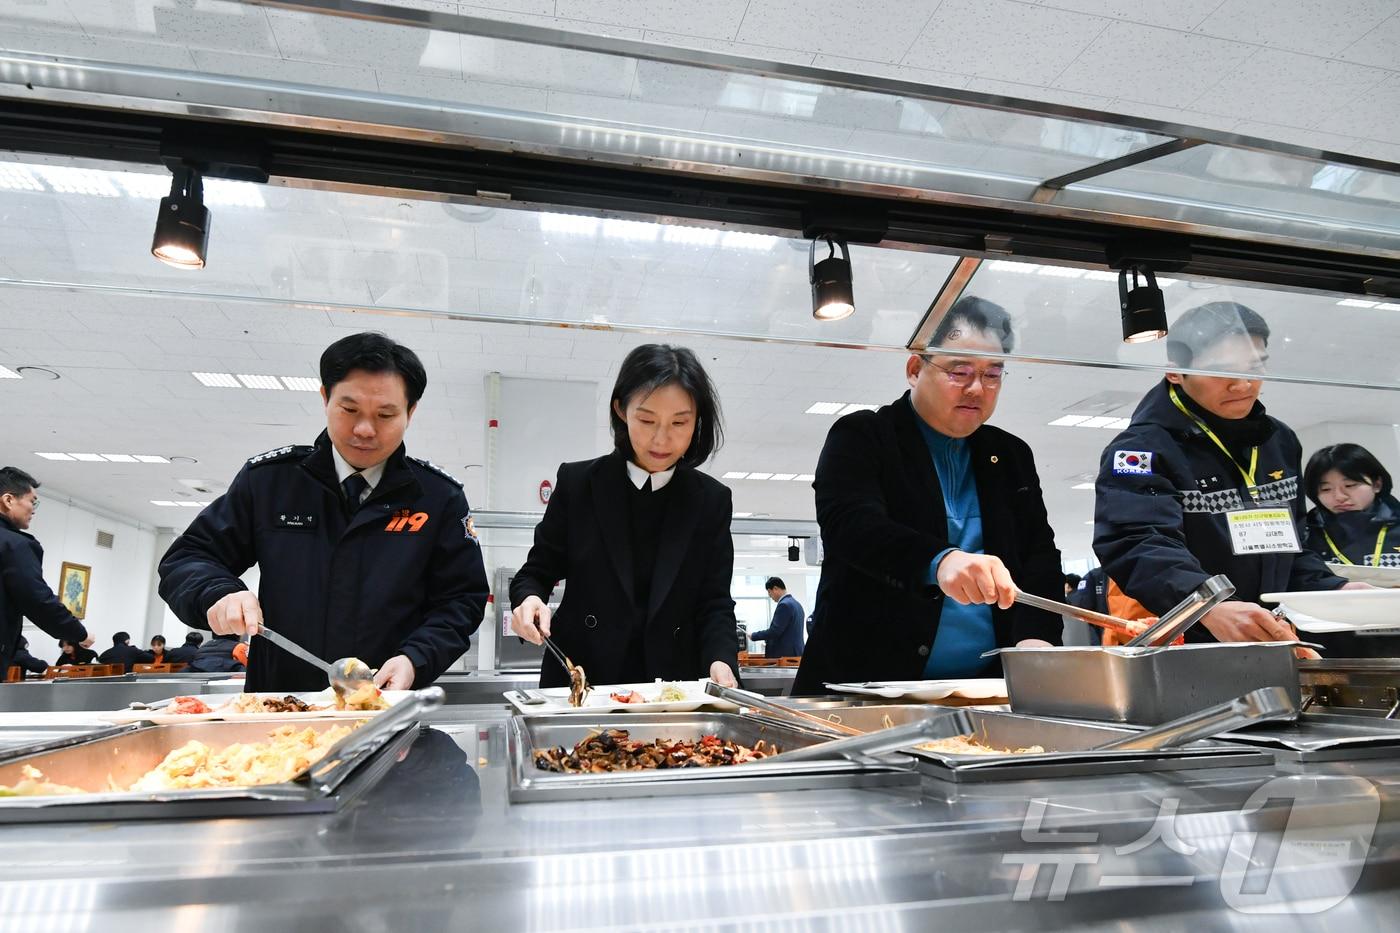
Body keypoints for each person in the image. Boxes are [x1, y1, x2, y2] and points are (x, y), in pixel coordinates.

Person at [159, 332, 490, 692]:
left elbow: (461, 600)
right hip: (281, 705)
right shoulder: (272, 482)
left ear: (410, 413)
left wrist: (416, 657)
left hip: (386, 705)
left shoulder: (438, 498)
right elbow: (189, 557)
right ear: (325, 398)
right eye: (349, 410)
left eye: (385, 414)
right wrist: (217, 593)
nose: (365, 429)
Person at [794, 296, 1064, 694]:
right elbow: (852, 527)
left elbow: (1038, 554)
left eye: (993, 375)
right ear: (915, 369)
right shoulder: (863, 436)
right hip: (866, 684)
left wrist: (1035, 639)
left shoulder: (1010, 455)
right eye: (960, 371)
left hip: (985, 693)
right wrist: (938, 561)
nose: (977, 388)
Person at [1094, 301, 1367, 649]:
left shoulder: (1279, 440)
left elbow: (1292, 549)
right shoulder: (1142, 449)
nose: (1243, 385)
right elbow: (1137, 543)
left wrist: (1336, 589)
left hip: (1274, 636)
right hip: (1190, 643)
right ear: (1175, 372)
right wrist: (1207, 604)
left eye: (1255, 368)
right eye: (1222, 371)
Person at [510, 344, 741, 689]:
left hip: (671, 683)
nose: (661, 438)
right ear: (621, 409)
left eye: (680, 422)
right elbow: (538, 570)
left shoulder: (711, 500)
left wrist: (721, 659)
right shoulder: (578, 484)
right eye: (646, 420)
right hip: (583, 677)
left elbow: (714, 601)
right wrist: (528, 600)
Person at [0, 466, 93, 677]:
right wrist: (79, 633)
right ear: (8, 500)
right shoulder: (14, 545)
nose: (33, 510)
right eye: (32, 502)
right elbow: (37, 600)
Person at [1302, 444, 1400, 569]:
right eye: (1326, 489)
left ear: (1377, 484)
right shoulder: (1305, 533)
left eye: (1350, 485)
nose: (1339, 497)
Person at [748, 577, 805, 658]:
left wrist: (754, 635)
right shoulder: (796, 604)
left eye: (769, 592)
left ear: (775, 588)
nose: (770, 596)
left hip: (785, 656)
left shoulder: (784, 605)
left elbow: (775, 631)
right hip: (796, 652)